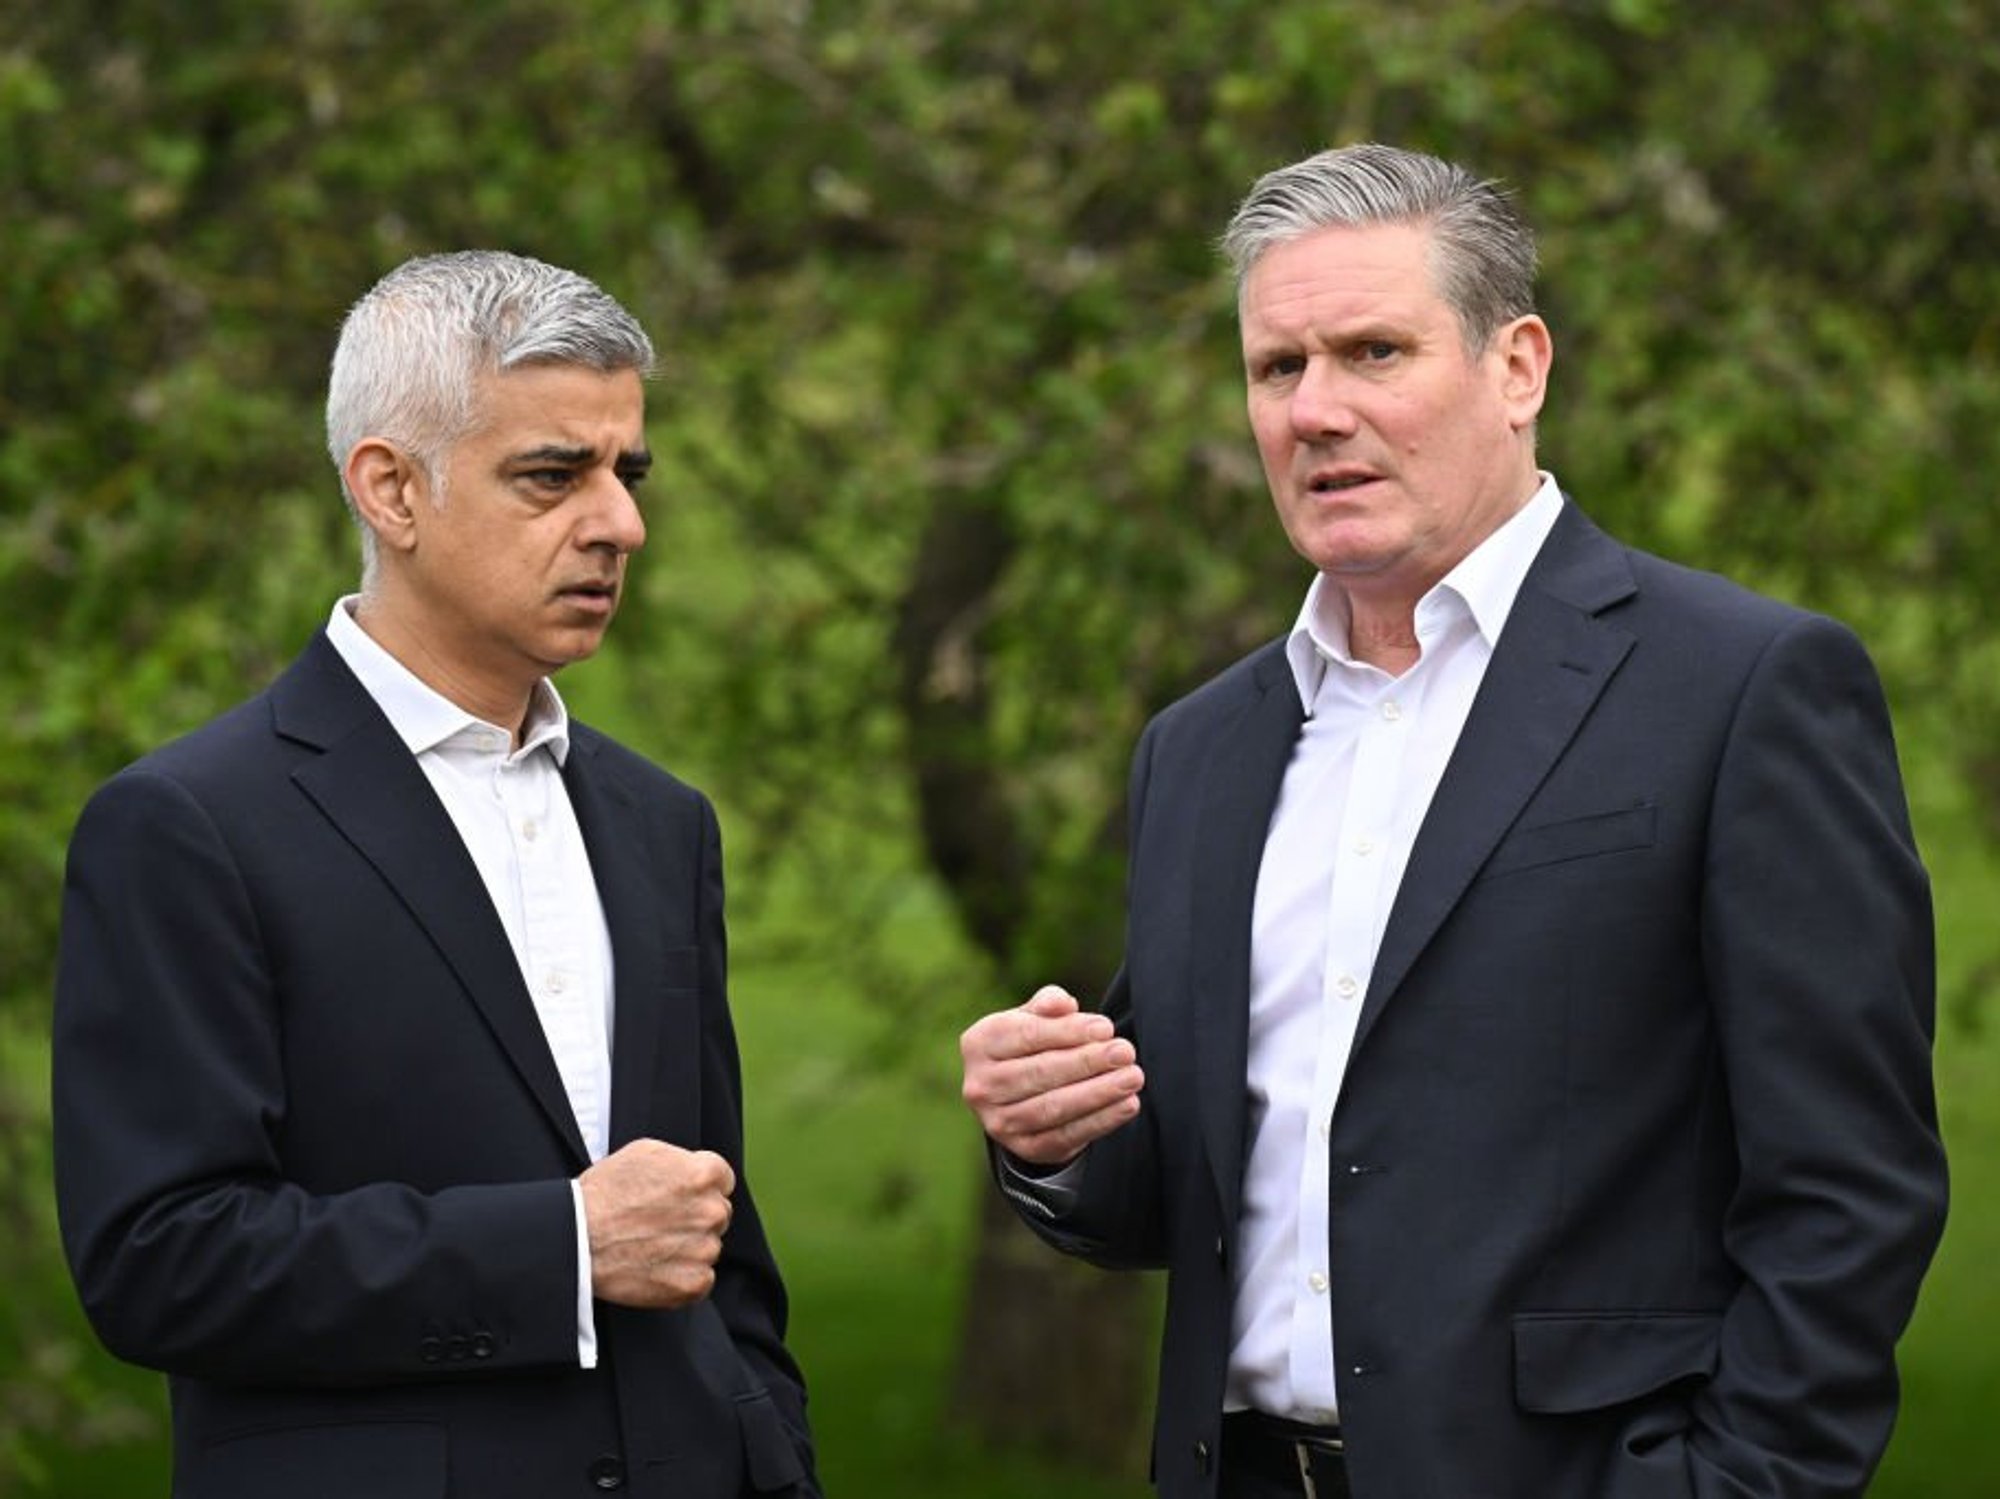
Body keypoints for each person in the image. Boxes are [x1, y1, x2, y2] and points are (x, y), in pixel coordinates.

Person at [959, 143, 1947, 1498]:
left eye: (1374, 352)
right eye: (1277, 367)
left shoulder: (1740, 685)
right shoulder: (1201, 747)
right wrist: (1059, 1130)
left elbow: (1851, 1182)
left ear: (1517, 367)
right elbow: (1201, 1183)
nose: (1317, 411)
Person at [54, 251, 817, 1499]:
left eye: (627, 471)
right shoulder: (188, 824)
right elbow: (158, 1258)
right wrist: (559, 1244)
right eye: (552, 474)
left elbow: (713, 1245)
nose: (621, 521)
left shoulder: (657, 821)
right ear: (392, 489)